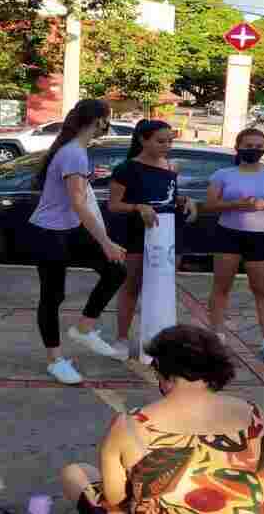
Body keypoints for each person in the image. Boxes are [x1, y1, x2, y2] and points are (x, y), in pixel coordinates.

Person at [60, 324, 264, 514]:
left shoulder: (130, 425)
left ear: (161, 371)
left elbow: (116, 497)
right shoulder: (258, 417)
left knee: (76, 473)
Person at [30, 99, 128, 385]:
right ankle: (55, 360)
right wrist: (106, 242)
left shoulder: (75, 151)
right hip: (49, 232)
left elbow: (75, 197)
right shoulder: (74, 153)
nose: (107, 125)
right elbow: (78, 203)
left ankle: (85, 328)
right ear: (98, 120)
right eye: (107, 119)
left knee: (116, 271)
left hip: (69, 230)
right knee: (52, 297)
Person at [203, 128, 264, 360]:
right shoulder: (223, 174)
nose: (254, 150)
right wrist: (235, 204)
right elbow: (210, 205)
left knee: (262, 290)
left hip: (261, 236)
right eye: (249, 145)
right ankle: (216, 334)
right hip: (229, 234)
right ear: (238, 147)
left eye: (258, 146)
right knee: (221, 286)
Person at [109, 119, 198, 357]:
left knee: (163, 286)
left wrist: (185, 201)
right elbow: (114, 205)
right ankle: (121, 338)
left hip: (167, 235)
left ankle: (160, 338)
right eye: (160, 141)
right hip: (137, 234)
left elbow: (169, 197)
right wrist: (138, 207)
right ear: (143, 140)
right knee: (132, 285)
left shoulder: (170, 167)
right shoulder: (126, 168)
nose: (167, 146)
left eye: (170, 141)